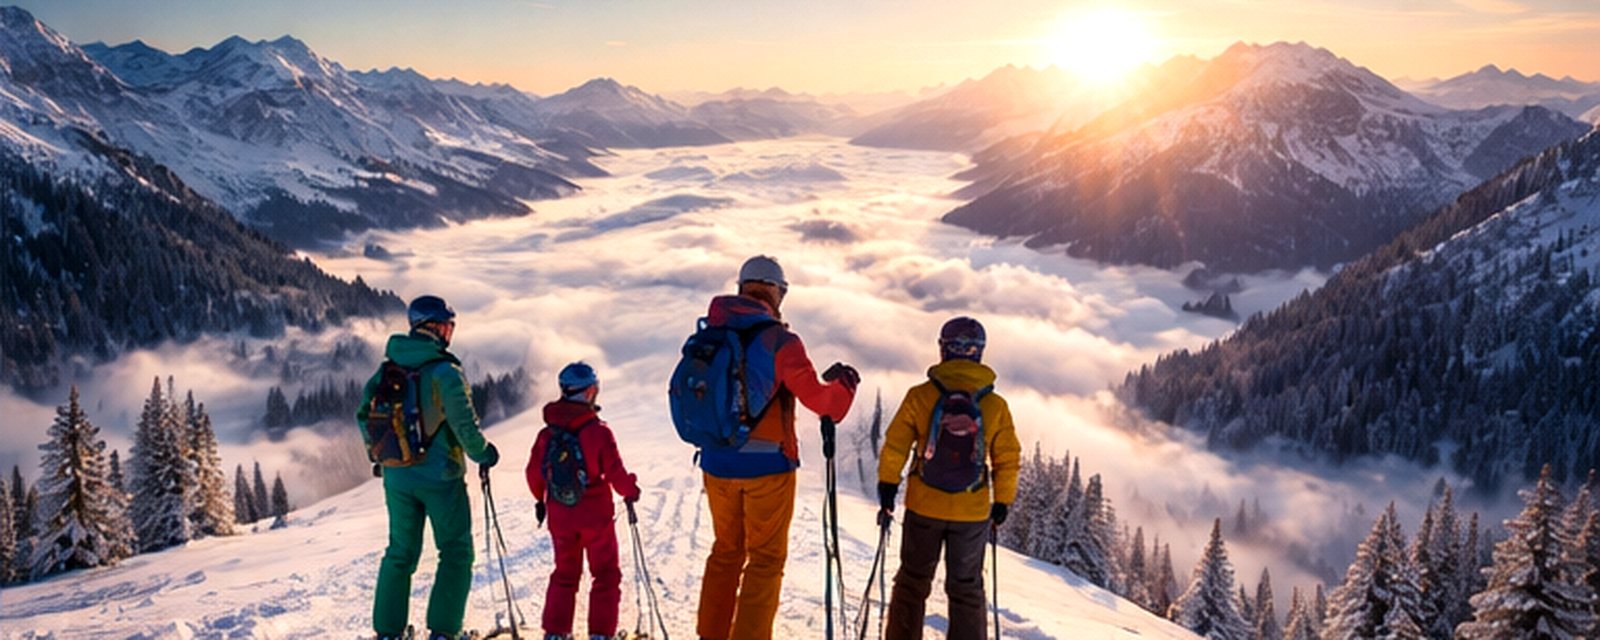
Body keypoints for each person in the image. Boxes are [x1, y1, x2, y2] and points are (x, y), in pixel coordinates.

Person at [696, 255, 860, 640]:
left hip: (716, 463)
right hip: (768, 467)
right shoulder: (780, 342)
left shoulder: (710, 333)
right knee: (765, 561)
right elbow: (823, 404)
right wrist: (846, 386)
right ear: (776, 293)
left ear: (741, 288)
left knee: (725, 553)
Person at [358, 295, 500, 640]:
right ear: (435, 327)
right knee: (454, 550)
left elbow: (365, 417)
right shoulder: (444, 372)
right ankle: (444, 632)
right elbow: (465, 426)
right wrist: (485, 454)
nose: (451, 332)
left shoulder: (387, 370)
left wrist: (382, 458)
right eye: (448, 325)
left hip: (397, 475)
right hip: (441, 476)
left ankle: (388, 632)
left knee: (400, 552)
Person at [877, 316, 1020, 640]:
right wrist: (1002, 502)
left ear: (943, 350)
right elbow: (1007, 459)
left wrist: (888, 485)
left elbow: (896, 445)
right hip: (972, 512)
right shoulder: (995, 405)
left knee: (912, 581)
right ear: (978, 353)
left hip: (924, 504)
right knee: (967, 588)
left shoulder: (920, 396)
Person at [526, 362, 642, 640]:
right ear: (591, 391)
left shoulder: (547, 434)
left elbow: (533, 472)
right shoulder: (599, 431)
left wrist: (542, 499)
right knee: (605, 574)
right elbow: (615, 472)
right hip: (595, 515)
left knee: (565, 573)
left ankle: (556, 632)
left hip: (560, 513)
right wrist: (631, 491)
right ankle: (600, 633)